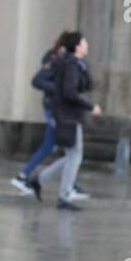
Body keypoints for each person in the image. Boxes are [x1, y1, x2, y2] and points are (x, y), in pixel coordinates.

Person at [26, 31, 102, 209]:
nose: (87, 45)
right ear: (77, 46)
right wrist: (91, 106)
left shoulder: (76, 64)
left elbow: (85, 85)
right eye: (84, 42)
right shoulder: (70, 65)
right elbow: (70, 92)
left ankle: (40, 179)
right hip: (69, 115)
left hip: (69, 115)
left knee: (73, 155)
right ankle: (63, 195)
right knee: (74, 154)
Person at [10, 32, 69, 195]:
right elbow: (38, 80)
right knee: (64, 148)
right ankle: (24, 176)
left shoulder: (61, 57)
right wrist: (58, 90)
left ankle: (69, 185)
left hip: (57, 108)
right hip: (53, 108)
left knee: (64, 149)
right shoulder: (56, 58)